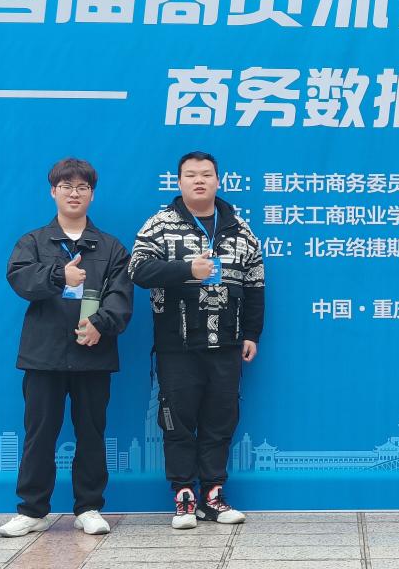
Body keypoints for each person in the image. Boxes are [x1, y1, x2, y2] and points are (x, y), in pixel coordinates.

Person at [129, 151, 264, 529]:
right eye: (191, 175)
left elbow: (255, 286)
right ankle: (184, 495)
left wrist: (251, 333)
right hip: (178, 345)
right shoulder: (159, 225)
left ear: (218, 181)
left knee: (221, 420)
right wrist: (188, 269)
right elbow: (137, 270)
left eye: (206, 174)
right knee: (177, 421)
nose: (199, 180)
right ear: (179, 182)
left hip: (227, 343)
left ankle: (213, 495)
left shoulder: (240, 229)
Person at [0, 158, 133, 537]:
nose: (75, 193)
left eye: (82, 187)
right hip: (44, 356)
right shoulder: (34, 242)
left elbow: (121, 295)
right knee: (39, 434)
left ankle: (89, 507)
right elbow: (20, 278)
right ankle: (32, 510)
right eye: (67, 186)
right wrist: (61, 274)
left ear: (92, 195)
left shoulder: (110, 247)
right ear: (53, 192)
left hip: (93, 355)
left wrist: (100, 325)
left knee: (91, 433)